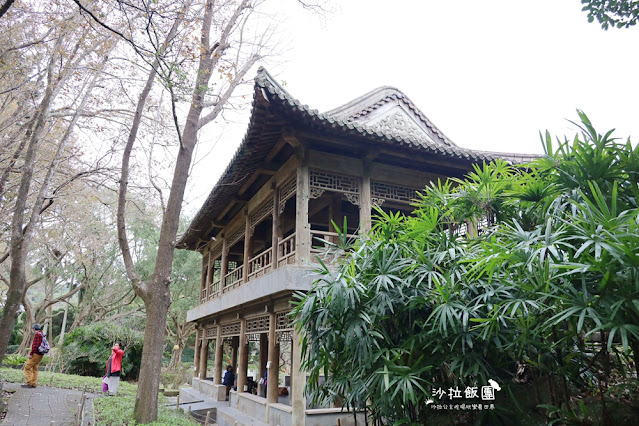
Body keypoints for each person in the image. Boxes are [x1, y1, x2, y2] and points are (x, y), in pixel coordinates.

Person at [23, 324, 45, 388]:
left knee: (27, 368)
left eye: (33, 329)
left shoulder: (37, 335)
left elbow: (35, 346)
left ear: (34, 329)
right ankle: (34, 383)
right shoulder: (42, 334)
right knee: (35, 368)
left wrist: (31, 354)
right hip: (40, 355)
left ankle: (29, 382)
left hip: (36, 354)